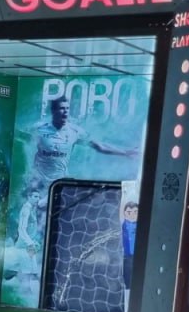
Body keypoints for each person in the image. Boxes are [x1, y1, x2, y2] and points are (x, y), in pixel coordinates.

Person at [16, 96, 140, 254]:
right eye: (61, 108)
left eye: (67, 109)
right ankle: (24, 250)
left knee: (52, 222)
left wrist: (126, 152)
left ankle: (47, 253)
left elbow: (99, 146)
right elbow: (19, 135)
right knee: (30, 218)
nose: (65, 112)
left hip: (58, 183)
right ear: (54, 110)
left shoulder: (75, 131)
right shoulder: (39, 129)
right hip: (38, 182)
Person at [121, 200, 138, 312]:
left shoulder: (142, 226)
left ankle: (136, 311)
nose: (132, 215)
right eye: (129, 212)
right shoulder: (123, 224)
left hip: (139, 257)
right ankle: (128, 311)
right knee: (128, 284)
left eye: (135, 212)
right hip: (128, 258)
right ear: (125, 213)